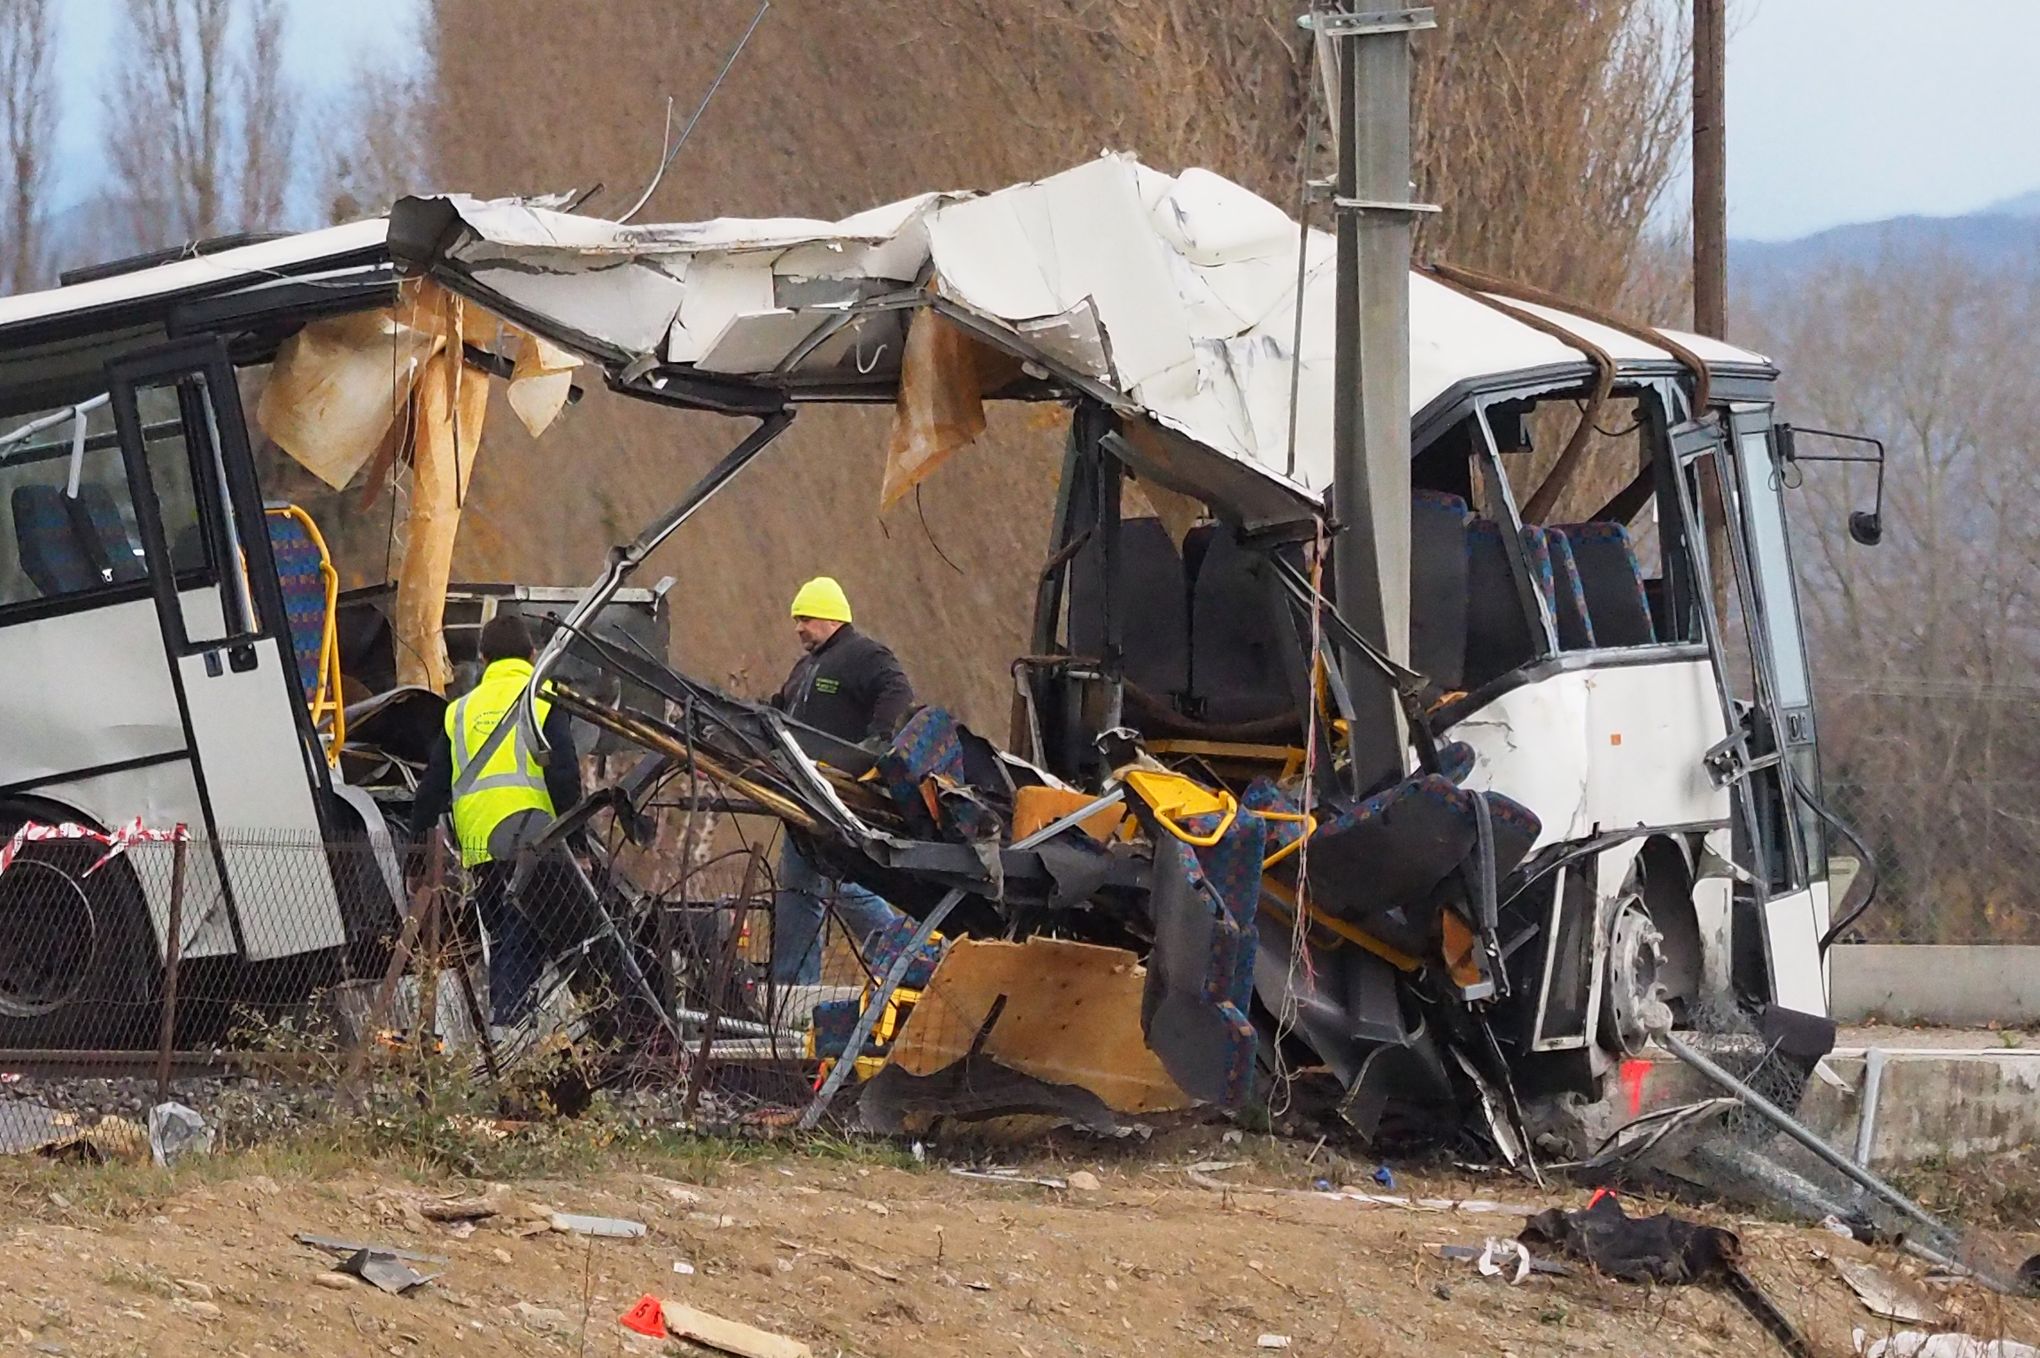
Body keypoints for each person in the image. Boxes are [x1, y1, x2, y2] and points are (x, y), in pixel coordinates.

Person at [409, 614, 583, 1032]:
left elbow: (431, 789)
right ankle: (510, 1030)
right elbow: (564, 775)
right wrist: (574, 843)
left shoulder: (460, 711)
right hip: (537, 841)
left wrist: (416, 857)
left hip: (482, 846)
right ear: (532, 654)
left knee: (504, 937)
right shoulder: (545, 698)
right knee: (531, 938)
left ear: (484, 659)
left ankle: (509, 1027)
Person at [768, 576, 913, 984]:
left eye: (807, 619)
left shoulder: (863, 655)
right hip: (803, 794)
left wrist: (876, 742)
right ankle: (793, 989)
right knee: (800, 887)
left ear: (832, 618)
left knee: (837, 884)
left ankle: (909, 960)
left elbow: (897, 690)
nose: (798, 628)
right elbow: (780, 710)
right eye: (797, 619)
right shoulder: (806, 667)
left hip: (838, 796)